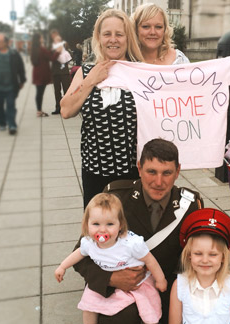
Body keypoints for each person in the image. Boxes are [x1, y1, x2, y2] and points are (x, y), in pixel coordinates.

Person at [72, 138, 203, 324]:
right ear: (139, 168)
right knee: (118, 320)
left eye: (167, 172)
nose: (159, 181)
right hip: (125, 286)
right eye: (151, 171)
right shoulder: (117, 196)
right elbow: (80, 254)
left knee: (201, 316)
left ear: (178, 172)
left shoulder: (189, 204)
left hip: (166, 283)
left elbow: (198, 252)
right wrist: (110, 279)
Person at [55, 193, 167, 324]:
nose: (102, 230)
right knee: (89, 301)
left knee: (151, 313)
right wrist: (62, 266)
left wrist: (160, 279)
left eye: (109, 224)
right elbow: (78, 254)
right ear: (87, 225)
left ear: (120, 225)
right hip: (111, 282)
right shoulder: (89, 242)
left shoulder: (130, 244)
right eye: (96, 224)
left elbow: (150, 260)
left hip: (139, 282)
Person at [60, 9, 144, 209]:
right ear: (99, 37)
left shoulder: (140, 72)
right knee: (100, 232)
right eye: (107, 34)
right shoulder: (86, 71)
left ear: (127, 38)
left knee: (131, 232)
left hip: (132, 172)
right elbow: (66, 110)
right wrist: (90, 81)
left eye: (119, 34)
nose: (113, 40)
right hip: (95, 171)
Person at [30, 33, 60, 117]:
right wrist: (57, 51)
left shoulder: (34, 49)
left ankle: (39, 110)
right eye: (41, 37)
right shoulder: (41, 49)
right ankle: (39, 111)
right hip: (42, 73)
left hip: (36, 73)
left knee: (39, 92)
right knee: (40, 93)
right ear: (39, 39)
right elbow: (52, 58)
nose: (42, 38)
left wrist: (51, 50)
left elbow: (46, 54)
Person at [49, 29, 71, 115]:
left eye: (56, 35)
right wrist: (57, 52)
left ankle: (68, 107)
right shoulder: (52, 48)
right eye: (53, 36)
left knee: (67, 90)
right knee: (57, 91)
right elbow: (51, 58)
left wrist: (64, 51)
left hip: (64, 72)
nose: (55, 37)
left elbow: (70, 56)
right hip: (55, 73)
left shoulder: (65, 45)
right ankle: (58, 107)